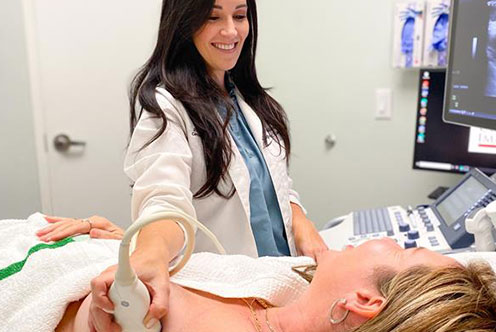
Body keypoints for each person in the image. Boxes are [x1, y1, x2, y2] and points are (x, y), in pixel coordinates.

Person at [38, 0, 328, 329]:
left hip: (283, 282)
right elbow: (165, 202)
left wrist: (307, 233)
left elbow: (276, 185)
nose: (231, 31)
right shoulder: (166, 107)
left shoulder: (251, 101)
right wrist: (150, 254)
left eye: (240, 16)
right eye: (213, 17)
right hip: (232, 301)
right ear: (184, 22)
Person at [53, 238, 496, 332]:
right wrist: (119, 239)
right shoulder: (285, 293)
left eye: (403, 251)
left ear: (363, 301)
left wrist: (91, 319)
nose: (386, 240)